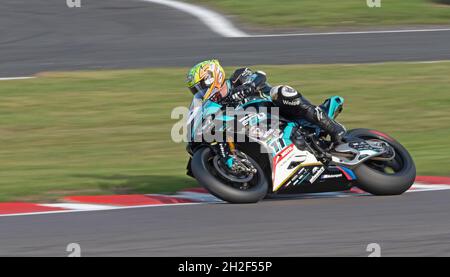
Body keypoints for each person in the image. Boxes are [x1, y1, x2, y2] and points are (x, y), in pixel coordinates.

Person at [186, 59, 346, 144]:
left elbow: (259, 75)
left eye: (200, 86)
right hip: (261, 130)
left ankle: (333, 127)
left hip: (277, 110)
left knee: (281, 91)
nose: (199, 92)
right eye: (195, 90)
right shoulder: (216, 106)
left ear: (212, 78)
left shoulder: (237, 78)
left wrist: (247, 88)